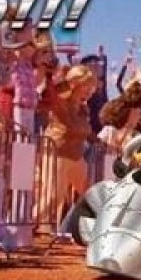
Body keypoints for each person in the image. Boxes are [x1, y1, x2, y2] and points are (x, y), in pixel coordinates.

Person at [41, 65, 97, 224]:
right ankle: (34, 226)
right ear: (76, 84)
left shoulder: (83, 109)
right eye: (87, 86)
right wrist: (52, 74)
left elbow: (85, 131)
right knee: (53, 197)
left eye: (91, 87)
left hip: (76, 157)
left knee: (91, 194)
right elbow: (48, 93)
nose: (90, 91)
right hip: (58, 153)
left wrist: (100, 141)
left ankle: (92, 226)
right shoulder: (61, 101)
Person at [97, 85, 141, 153]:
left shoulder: (128, 136)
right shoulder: (109, 131)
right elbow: (108, 155)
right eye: (140, 109)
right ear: (130, 110)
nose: (140, 115)